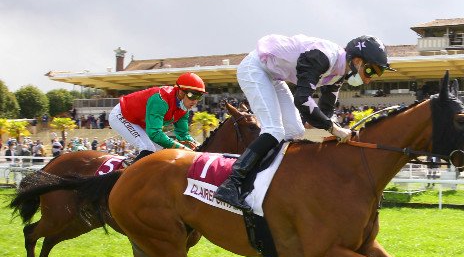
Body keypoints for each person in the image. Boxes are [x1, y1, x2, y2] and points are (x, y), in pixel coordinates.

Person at [214, 34, 394, 210]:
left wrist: (341, 131)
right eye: (370, 71)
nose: (369, 80)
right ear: (357, 61)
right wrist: (335, 130)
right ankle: (231, 183)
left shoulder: (339, 74)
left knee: (295, 131)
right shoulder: (322, 57)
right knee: (274, 130)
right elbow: (302, 100)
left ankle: (268, 183)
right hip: (255, 69)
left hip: (274, 77)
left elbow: (326, 111)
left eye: (375, 74)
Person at [109, 72, 205, 163]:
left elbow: (183, 135)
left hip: (141, 122)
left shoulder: (184, 109)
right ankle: (127, 173)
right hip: (121, 115)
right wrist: (182, 148)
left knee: (162, 151)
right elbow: (154, 133)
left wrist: (201, 148)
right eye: (193, 96)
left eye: (199, 97)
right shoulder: (161, 99)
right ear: (181, 92)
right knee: (148, 148)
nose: (195, 101)